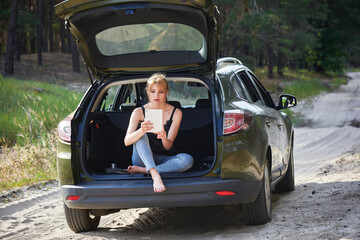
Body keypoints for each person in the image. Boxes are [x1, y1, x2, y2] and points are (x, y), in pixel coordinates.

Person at [124, 73, 194, 193]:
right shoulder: (138, 112)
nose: (156, 95)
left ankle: (145, 170)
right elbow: (127, 141)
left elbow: (168, 146)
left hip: (164, 159)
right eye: (152, 91)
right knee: (141, 136)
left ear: (166, 92)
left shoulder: (176, 113)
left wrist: (164, 137)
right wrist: (142, 130)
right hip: (141, 159)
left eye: (160, 92)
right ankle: (155, 174)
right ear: (147, 92)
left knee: (187, 160)